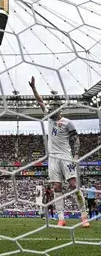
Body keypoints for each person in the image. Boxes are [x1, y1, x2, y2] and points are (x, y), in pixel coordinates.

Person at [29, 76, 89, 227]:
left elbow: (76, 140)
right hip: (53, 158)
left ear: (59, 111)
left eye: (54, 113)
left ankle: (84, 216)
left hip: (66, 156)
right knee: (56, 187)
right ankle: (61, 218)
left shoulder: (68, 123)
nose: (52, 115)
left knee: (73, 185)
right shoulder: (50, 117)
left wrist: (75, 156)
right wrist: (34, 89)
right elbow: (40, 102)